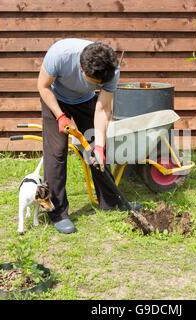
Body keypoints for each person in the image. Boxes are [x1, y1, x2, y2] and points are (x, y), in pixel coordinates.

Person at [37, 38, 140, 234]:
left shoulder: (111, 69)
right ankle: (57, 213)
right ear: (82, 70)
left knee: (97, 149)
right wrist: (60, 116)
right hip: (55, 99)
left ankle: (110, 202)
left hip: (86, 101)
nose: (99, 85)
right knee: (57, 152)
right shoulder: (60, 55)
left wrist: (99, 147)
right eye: (94, 83)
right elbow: (43, 86)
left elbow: (102, 109)